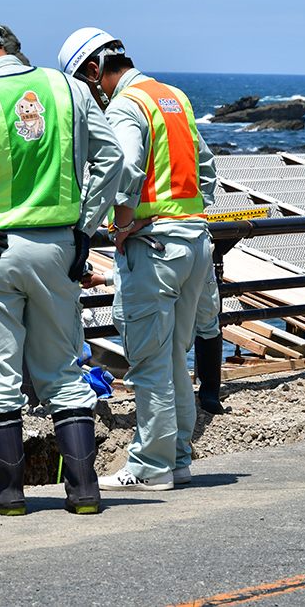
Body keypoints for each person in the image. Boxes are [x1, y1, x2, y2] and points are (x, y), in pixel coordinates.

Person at [0, 1, 124, 515]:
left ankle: (11, 495)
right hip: (59, 248)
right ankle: (83, 492)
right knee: (63, 369)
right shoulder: (71, 89)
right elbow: (112, 158)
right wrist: (85, 226)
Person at [59, 27, 221, 491]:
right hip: (193, 242)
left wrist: (121, 222)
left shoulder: (128, 105)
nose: (93, 98)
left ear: (95, 71)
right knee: (172, 358)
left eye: (88, 87)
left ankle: (150, 467)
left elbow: (124, 168)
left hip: (154, 248)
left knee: (149, 360)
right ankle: (178, 459)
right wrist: (187, 215)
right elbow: (206, 167)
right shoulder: (173, 97)